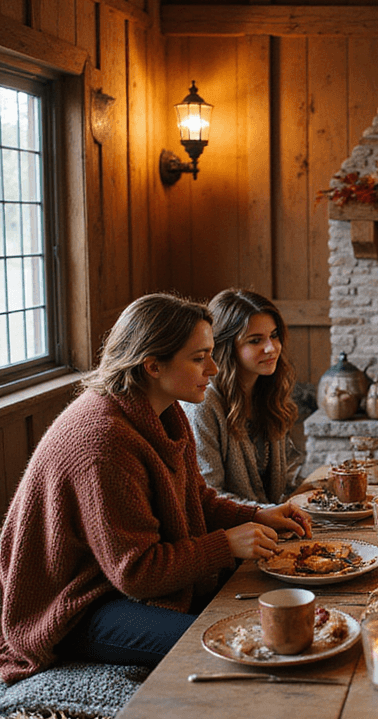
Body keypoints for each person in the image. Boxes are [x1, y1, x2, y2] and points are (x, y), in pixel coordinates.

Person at [0, 292, 311, 685]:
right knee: (224, 642)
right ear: (152, 366)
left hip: (117, 582)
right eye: (199, 358)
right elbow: (137, 572)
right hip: (77, 605)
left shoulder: (165, 410)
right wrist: (226, 544)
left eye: (212, 354)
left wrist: (256, 515)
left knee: (272, 600)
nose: (214, 368)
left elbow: (195, 499)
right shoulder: (103, 442)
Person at [183, 288, 310, 507]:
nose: (271, 348)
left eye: (274, 336)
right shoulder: (203, 403)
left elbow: (280, 481)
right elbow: (208, 497)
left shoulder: (268, 392)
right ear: (226, 346)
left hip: (268, 526)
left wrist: (314, 487)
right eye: (255, 341)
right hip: (232, 533)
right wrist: (273, 513)